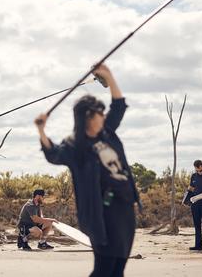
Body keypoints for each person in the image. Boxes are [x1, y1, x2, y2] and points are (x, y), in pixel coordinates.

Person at [35, 64, 141, 277]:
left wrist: (109, 76)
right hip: (101, 213)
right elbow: (53, 154)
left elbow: (119, 106)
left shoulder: (106, 133)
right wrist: (41, 130)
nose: (102, 117)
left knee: (118, 269)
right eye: (97, 115)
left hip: (124, 208)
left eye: (101, 113)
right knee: (103, 269)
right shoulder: (75, 147)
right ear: (85, 118)